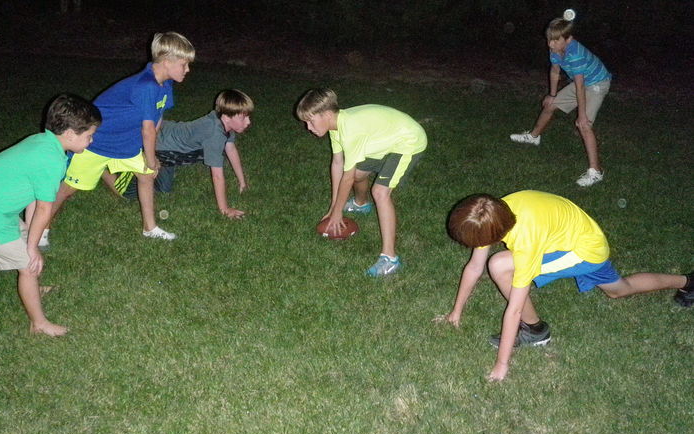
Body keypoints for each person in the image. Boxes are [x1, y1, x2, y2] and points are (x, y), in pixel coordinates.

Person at [439, 190, 693, 382]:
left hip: (584, 251)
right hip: (580, 236)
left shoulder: (525, 240)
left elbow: (514, 310)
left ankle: (536, 331)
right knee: (619, 289)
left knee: (499, 265)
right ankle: (688, 282)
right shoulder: (494, 212)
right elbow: (474, 266)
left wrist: (501, 365)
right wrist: (455, 313)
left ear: (493, 234)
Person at [0, 94, 102, 336]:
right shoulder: (50, 160)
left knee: (30, 254)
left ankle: (34, 288)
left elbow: (33, 196)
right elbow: (44, 208)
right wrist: (31, 248)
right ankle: (38, 323)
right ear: (71, 134)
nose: (91, 140)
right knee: (30, 266)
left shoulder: (44, 142)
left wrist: (33, 237)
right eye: (89, 136)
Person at [44, 32, 195, 245]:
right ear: (167, 61)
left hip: (127, 143)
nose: (187, 70)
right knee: (68, 188)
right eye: (184, 64)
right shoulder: (146, 86)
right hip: (96, 142)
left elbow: (158, 118)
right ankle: (42, 227)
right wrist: (151, 160)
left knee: (145, 177)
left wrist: (149, 155)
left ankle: (149, 228)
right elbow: (148, 129)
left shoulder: (165, 85)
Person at [296, 88, 427, 277]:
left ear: (326, 114)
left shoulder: (350, 130)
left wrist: (338, 213)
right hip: (384, 141)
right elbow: (338, 164)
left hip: (408, 141)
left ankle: (390, 258)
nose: (308, 127)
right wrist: (334, 208)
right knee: (357, 173)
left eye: (310, 121)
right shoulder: (335, 126)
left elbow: (346, 178)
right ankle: (360, 204)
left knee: (380, 192)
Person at [510, 13, 612, 187]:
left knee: (584, 124)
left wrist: (581, 115)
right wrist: (552, 94)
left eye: (556, 40)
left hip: (597, 83)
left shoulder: (576, 53)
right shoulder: (555, 50)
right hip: (581, 82)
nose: (551, 44)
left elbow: (580, 86)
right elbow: (555, 71)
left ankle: (596, 172)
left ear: (568, 39)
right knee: (551, 105)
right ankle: (533, 137)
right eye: (549, 39)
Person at [117, 89, 253, 219]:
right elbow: (217, 176)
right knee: (128, 193)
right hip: (157, 146)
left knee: (164, 189)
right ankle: (108, 170)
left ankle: (155, 164)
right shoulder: (214, 134)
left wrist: (242, 181)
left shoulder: (223, 124)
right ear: (226, 116)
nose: (248, 122)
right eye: (243, 117)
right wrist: (225, 209)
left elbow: (231, 149)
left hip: (170, 152)